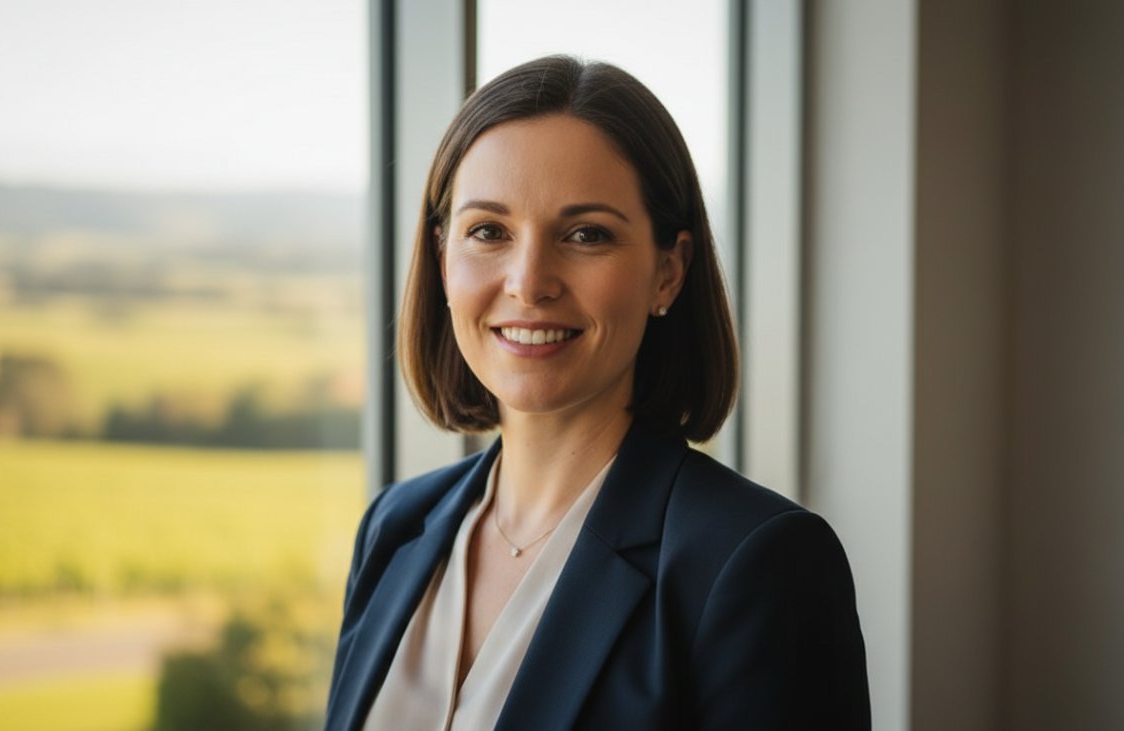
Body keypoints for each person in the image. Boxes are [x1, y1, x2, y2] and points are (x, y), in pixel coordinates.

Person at [325, 55, 869, 730]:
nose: (529, 281)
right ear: (442, 259)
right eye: (488, 231)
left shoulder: (757, 563)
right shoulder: (395, 528)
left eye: (586, 234)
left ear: (668, 273)